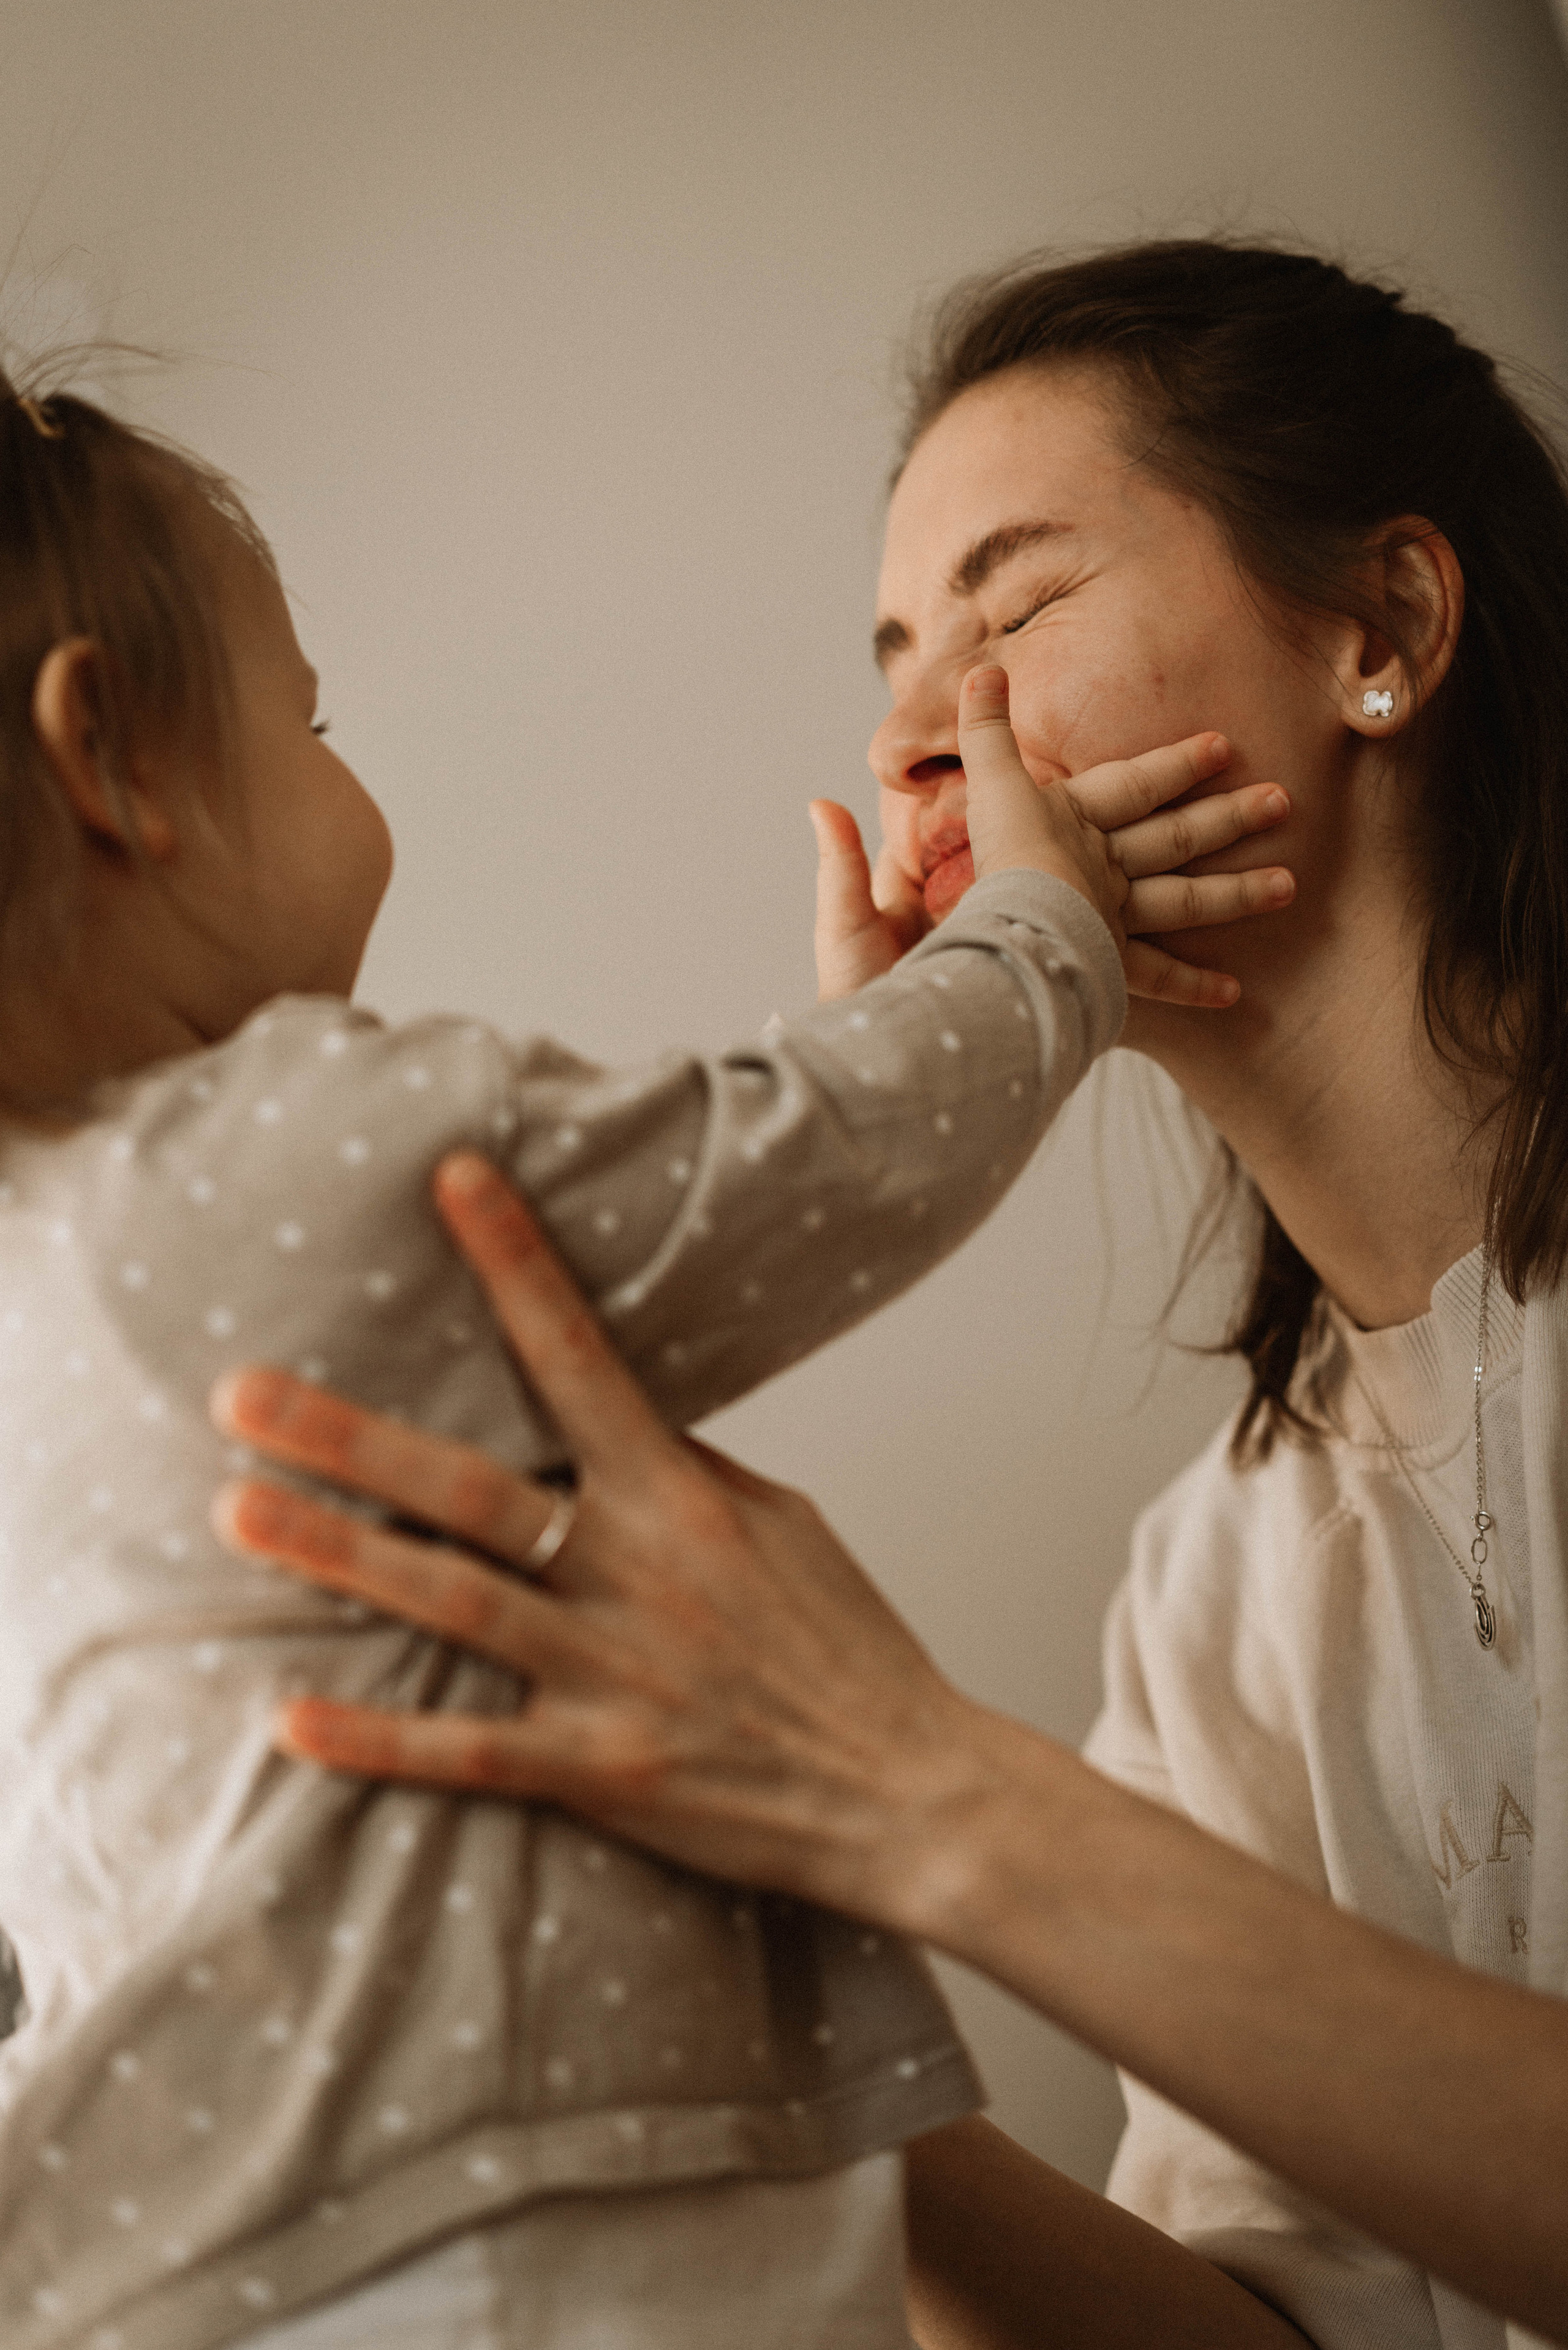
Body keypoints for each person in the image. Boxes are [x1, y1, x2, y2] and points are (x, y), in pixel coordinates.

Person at [215, 242, 1568, 2350]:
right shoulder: (1223, 1585)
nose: (918, 733)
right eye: (898, 654)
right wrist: (757, 1995)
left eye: (1013, 614)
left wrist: (910, 1780)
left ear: (1383, 629)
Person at [0, 364, 1288, 2350]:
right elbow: (827, 1161)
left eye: (1019, 611)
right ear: (110, 763)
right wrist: (1044, 931)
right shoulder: (286, 1154)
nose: (926, 728)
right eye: (310, 723)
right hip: (496, 2235)